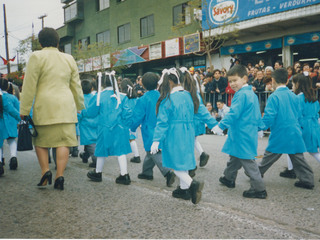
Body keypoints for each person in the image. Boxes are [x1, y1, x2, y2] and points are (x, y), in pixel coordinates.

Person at [20, 28, 84, 190]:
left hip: (44, 107)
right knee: (63, 142)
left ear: (40, 43)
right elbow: (76, 85)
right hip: (66, 107)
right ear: (58, 42)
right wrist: (79, 106)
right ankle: (60, 176)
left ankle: (45, 171)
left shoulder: (36, 57)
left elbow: (29, 86)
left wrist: (25, 109)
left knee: (41, 142)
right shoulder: (69, 59)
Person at [212, 64, 267, 199]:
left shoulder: (241, 95)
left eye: (235, 80)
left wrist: (221, 125)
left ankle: (259, 189)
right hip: (245, 132)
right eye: (230, 81)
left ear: (244, 78)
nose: (232, 84)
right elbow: (257, 112)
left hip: (241, 133)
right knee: (235, 157)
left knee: (247, 161)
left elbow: (233, 113)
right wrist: (260, 128)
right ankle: (228, 178)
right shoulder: (250, 94)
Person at [151, 68, 204, 204]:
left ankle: (191, 184)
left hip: (174, 133)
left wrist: (156, 140)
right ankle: (184, 190)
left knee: (173, 163)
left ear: (169, 81)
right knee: (183, 161)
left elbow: (162, 123)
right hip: (188, 132)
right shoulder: (189, 95)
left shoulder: (168, 99)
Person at [258, 68, 314, 190]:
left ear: (273, 80)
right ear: (287, 80)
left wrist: (260, 127)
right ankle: (307, 179)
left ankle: (256, 173)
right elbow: (299, 115)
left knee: (270, 155)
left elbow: (269, 116)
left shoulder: (274, 97)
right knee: (298, 157)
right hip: (294, 131)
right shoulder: (294, 96)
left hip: (280, 131)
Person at [86, 72, 133, 185]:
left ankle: (98, 173)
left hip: (104, 127)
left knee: (101, 150)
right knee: (121, 151)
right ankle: (124, 175)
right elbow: (128, 114)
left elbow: (91, 113)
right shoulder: (122, 96)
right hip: (120, 127)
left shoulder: (99, 96)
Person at [130, 72, 175, 187]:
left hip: (150, 129)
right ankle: (147, 172)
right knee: (150, 152)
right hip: (163, 127)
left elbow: (137, 116)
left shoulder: (143, 99)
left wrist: (132, 127)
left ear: (143, 85)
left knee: (153, 151)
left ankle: (167, 172)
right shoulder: (162, 95)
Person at [280, 74, 320, 180]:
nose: (292, 85)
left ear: (298, 84)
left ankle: (291, 170)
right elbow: (316, 114)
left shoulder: (298, 98)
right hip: (314, 126)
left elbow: (297, 115)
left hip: (303, 127)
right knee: (313, 150)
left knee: (295, 147)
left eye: (293, 83)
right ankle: (291, 169)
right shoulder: (314, 98)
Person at [0, 78, 21, 176]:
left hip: (1, 122)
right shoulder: (12, 98)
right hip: (11, 122)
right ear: (8, 87)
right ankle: (13, 157)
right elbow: (17, 110)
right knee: (11, 140)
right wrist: (20, 118)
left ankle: (0, 161)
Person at [78, 79, 98, 168]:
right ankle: (85, 155)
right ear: (91, 89)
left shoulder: (80, 100)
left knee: (90, 142)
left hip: (85, 125)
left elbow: (78, 114)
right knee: (93, 141)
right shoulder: (95, 97)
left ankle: (96, 160)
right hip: (96, 122)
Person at [120, 78, 141, 164]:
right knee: (132, 138)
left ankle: (137, 156)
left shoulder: (123, 98)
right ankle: (136, 155)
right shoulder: (136, 98)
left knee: (130, 139)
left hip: (126, 121)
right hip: (134, 121)